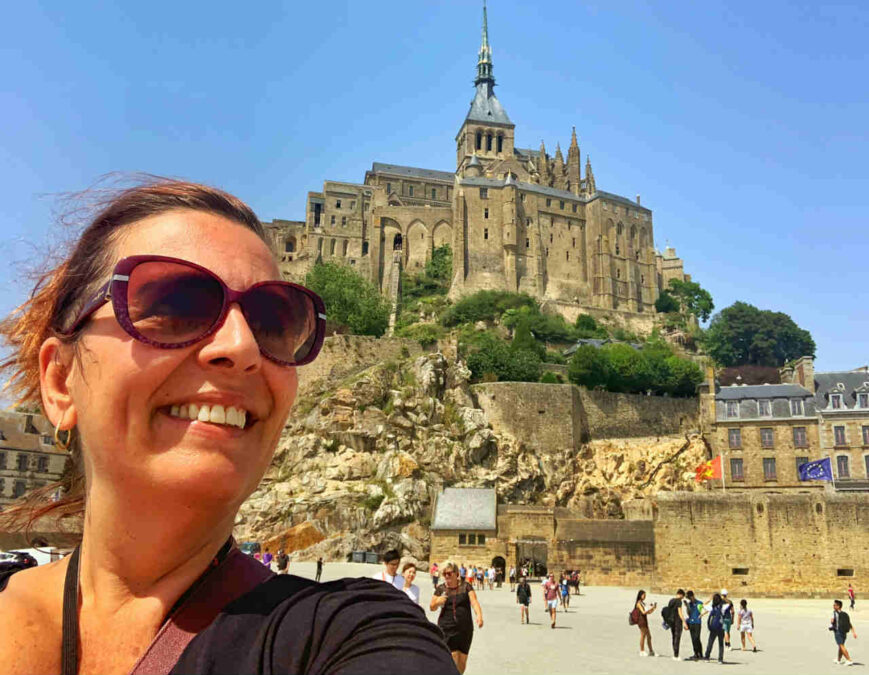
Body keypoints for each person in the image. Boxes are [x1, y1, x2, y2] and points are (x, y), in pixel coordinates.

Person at [0, 178, 457, 674]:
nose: (241, 346)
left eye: (274, 321)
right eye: (175, 305)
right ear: (60, 381)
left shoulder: (349, 634)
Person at [431, 561, 484, 674]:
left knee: (462, 661)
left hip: (465, 628)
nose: (447, 576)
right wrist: (438, 602)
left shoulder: (466, 586)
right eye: (444, 574)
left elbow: (474, 602)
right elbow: (432, 607)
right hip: (447, 628)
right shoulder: (441, 589)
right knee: (454, 657)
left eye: (449, 573)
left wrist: (479, 615)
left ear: (456, 573)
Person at [664, 589, 688, 661]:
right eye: (682, 596)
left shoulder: (671, 600)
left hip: (671, 621)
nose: (682, 598)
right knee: (677, 638)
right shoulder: (679, 601)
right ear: (681, 595)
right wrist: (684, 622)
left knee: (673, 637)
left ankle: (674, 653)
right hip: (677, 621)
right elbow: (680, 613)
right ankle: (676, 655)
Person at [831, 599, 858, 665]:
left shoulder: (835, 613)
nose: (833, 606)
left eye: (834, 605)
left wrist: (832, 622)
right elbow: (849, 623)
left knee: (841, 645)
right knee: (841, 645)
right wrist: (853, 632)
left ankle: (849, 659)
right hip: (844, 632)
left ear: (838, 606)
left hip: (838, 631)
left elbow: (832, 621)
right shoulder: (845, 614)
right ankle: (838, 659)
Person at [634, 590, 657, 656]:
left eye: (645, 595)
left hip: (645, 620)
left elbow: (648, 612)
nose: (644, 597)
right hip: (641, 621)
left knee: (649, 636)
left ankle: (651, 651)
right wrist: (650, 609)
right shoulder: (638, 603)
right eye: (643, 595)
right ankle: (642, 651)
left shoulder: (643, 603)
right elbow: (643, 612)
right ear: (640, 595)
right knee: (643, 635)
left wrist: (653, 608)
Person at [703, 593, 725, 663]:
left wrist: (709, 600)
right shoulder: (722, 607)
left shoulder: (712, 607)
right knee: (721, 643)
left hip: (713, 627)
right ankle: (720, 659)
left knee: (710, 642)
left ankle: (707, 657)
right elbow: (729, 604)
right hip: (721, 627)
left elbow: (703, 605)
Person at [685, 590, 704, 660]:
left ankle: (700, 653)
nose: (690, 599)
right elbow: (689, 613)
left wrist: (701, 615)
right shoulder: (689, 604)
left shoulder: (699, 603)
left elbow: (704, 609)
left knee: (697, 638)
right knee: (693, 639)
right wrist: (687, 606)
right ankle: (696, 653)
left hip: (697, 622)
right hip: (691, 622)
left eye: (690, 597)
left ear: (692, 596)